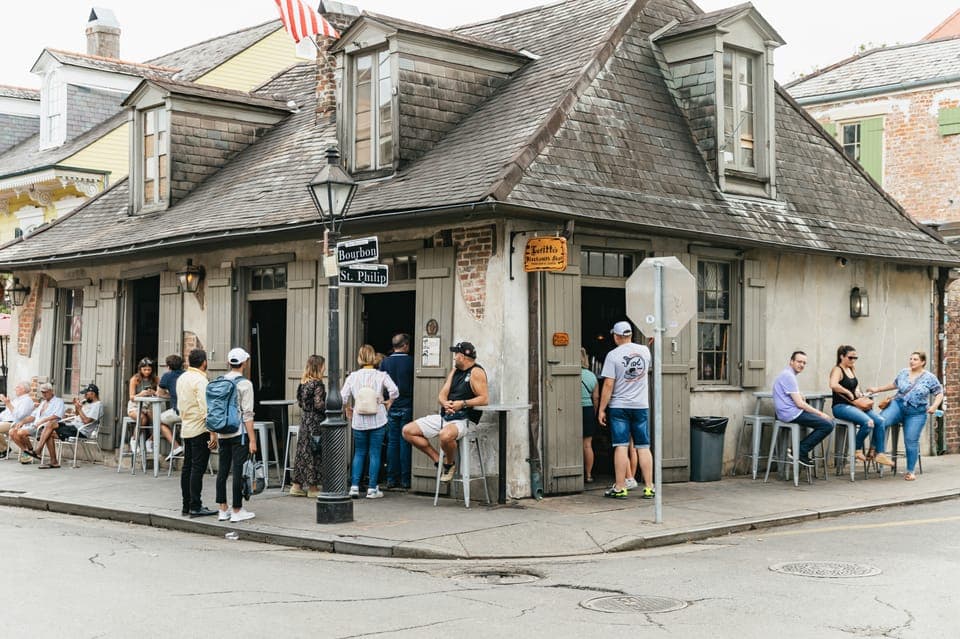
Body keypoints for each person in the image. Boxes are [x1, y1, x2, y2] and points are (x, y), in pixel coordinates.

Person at [403, 341, 489, 484]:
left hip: (465, 419)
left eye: (456, 354)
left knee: (445, 435)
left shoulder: (476, 372)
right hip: (447, 415)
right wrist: (445, 403)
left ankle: (449, 465)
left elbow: (484, 399)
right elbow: (442, 395)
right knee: (408, 431)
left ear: (463, 356)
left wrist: (462, 403)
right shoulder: (455, 371)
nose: (454, 357)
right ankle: (438, 460)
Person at [597, 321, 654, 499]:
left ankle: (620, 487)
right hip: (640, 406)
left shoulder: (613, 355)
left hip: (619, 406)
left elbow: (608, 384)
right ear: (630, 334)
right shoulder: (645, 351)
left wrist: (601, 409)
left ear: (616, 336)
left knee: (620, 446)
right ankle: (650, 487)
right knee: (643, 446)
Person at [868, 351, 944, 481]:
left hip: (917, 412)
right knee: (881, 420)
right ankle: (875, 450)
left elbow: (939, 393)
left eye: (915, 359)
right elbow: (894, 385)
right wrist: (877, 389)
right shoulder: (903, 372)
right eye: (911, 359)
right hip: (898, 405)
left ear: (922, 362)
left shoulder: (929, 377)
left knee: (910, 440)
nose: (912, 361)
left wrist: (934, 406)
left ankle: (910, 471)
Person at [341, 344, 399, 499]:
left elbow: (343, 396)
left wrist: (348, 408)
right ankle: (372, 488)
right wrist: (388, 402)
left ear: (359, 358)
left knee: (359, 452)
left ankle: (354, 487)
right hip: (378, 418)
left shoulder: (353, 377)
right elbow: (395, 391)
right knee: (375, 453)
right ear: (373, 358)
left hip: (359, 419)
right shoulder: (381, 375)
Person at [829, 345, 892, 467]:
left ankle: (879, 453)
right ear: (842, 356)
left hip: (856, 405)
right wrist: (847, 392)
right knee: (868, 422)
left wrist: (858, 391)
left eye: (855, 358)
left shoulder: (851, 368)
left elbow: (855, 385)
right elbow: (833, 384)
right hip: (841, 407)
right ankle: (857, 449)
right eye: (850, 357)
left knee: (880, 420)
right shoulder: (837, 369)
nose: (853, 360)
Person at [215, 348, 257, 523]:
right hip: (238, 432)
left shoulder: (220, 381)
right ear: (244, 363)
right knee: (238, 470)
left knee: (222, 471)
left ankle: (222, 509)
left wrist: (213, 433)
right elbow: (247, 414)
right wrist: (252, 439)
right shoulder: (245, 384)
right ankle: (237, 509)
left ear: (228, 363)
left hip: (221, 431)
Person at [772, 351, 834, 468]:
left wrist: (799, 393)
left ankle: (800, 450)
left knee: (826, 422)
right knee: (827, 425)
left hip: (785, 412)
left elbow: (791, 394)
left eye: (804, 363)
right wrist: (821, 414)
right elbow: (800, 404)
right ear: (791, 361)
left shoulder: (786, 374)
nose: (802, 365)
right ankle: (800, 451)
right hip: (790, 414)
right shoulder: (789, 376)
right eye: (799, 361)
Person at [177, 349, 217, 518]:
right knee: (197, 469)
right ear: (204, 362)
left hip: (187, 426)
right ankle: (195, 505)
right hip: (200, 428)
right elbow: (205, 408)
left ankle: (186, 505)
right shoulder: (201, 380)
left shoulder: (182, 378)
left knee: (187, 468)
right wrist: (213, 431)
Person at [32, 383, 103, 464]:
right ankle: (47, 456)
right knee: (50, 426)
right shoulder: (86, 402)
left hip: (81, 431)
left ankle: (43, 453)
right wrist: (76, 406)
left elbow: (86, 421)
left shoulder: (98, 406)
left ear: (93, 394)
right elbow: (77, 415)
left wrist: (79, 409)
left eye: (86, 394)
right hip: (72, 426)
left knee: (49, 431)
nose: (84, 396)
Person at [380, 333, 414, 491]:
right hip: (407, 404)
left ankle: (391, 479)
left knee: (392, 442)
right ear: (405, 345)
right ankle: (406, 479)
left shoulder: (385, 362)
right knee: (405, 442)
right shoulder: (411, 361)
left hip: (391, 405)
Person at [290, 355, 326, 498]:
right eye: (323, 366)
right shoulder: (318, 384)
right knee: (314, 453)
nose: (325, 368)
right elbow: (319, 404)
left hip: (305, 421)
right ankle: (313, 487)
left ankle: (296, 486)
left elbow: (300, 402)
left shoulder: (303, 383)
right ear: (318, 367)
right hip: (315, 423)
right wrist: (329, 407)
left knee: (302, 453)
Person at [12, 383, 65, 467]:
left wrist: (44, 420)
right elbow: (32, 416)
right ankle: (30, 452)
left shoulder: (58, 401)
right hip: (36, 426)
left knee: (21, 433)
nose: (44, 394)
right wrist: (22, 422)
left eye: (46, 392)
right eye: (42, 392)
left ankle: (33, 453)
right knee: (14, 432)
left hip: (48, 426)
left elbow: (58, 415)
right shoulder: (43, 403)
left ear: (51, 391)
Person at [126, 357, 159, 454]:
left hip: (148, 406)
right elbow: (131, 397)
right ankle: (134, 440)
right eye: (144, 369)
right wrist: (141, 394)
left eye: (149, 369)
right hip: (134, 406)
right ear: (140, 369)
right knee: (142, 419)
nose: (147, 372)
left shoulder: (155, 379)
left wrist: (153, 392)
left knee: (158, 421)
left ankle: (150, 441)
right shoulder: (135, 379)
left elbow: (161, 392)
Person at [156, 354, 185, 460]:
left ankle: (176, 447)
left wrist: (171, 394)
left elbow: (159, 393)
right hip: (192, 413)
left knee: (158, 420)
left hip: (179, 412)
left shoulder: (167, 376)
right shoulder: (187, 374)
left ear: (168, 366)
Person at [0, 381, 36, 459]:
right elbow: (5, 413)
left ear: (23, 390)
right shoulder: (16, 400)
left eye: (17, 387)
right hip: (5, 422)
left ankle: (4, 450)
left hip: (14, 423)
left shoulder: (27, 401)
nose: (15, 389)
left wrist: (8, 403)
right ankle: (4, 448)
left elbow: (19, 416)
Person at [580, 347, 599, 484]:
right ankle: (588, 475)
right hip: (587, 409)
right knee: (587, 445)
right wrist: (596, 411)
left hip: (571, 410)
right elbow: (596, 397)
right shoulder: (591, 376)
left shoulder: (572, 373)